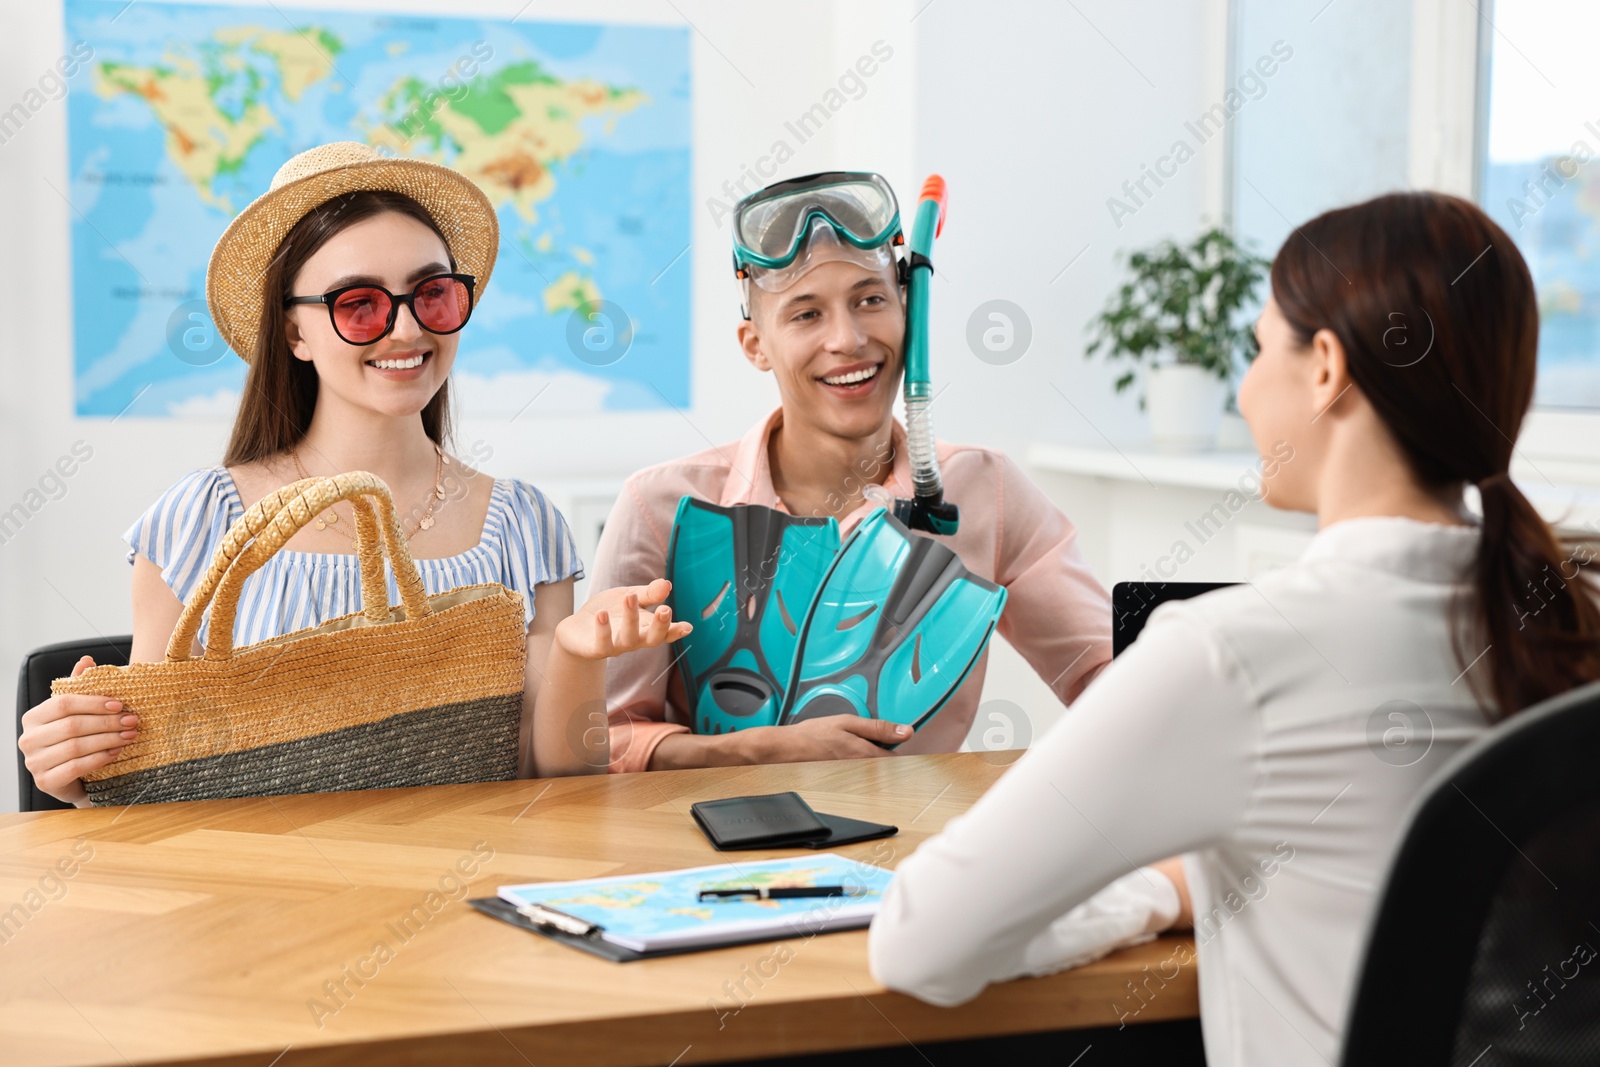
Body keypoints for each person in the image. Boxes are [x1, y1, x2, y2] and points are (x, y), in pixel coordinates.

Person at [866, 191, 1600, 1066]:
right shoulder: (1564, 617)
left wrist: (1155, 890)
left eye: (1256, 349)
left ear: (1325, 369)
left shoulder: (1229, 654)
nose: (1247, 390)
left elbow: (919, 941)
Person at [18, 142, 690, 807]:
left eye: (432, 294)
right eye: (358, 304)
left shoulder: (522, 523)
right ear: (293, 334)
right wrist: (77, 767)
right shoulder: (198, 520)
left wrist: (576, 654)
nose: (405, 331)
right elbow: (155, 772)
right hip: (258, 899)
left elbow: (559, 788)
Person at [589, 171, 1113, 772]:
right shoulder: (661, 507)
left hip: (916, 853)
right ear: (755, 345)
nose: (849, 339)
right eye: (806, 315)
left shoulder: (985, 490)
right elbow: (601, 746)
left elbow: (1114, 677)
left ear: (907, 313)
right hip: (709, 854)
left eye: (870, 300)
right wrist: (758, 751)